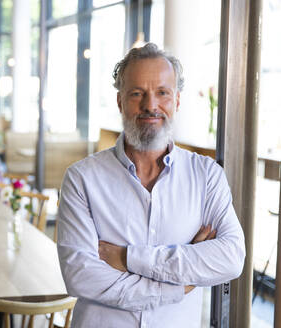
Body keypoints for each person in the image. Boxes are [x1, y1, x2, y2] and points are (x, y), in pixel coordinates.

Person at [57, 43, 245, 328]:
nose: (150, 105)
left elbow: (231, 258)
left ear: (177, 101)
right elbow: (81, 277)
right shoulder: (82, 179)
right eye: (137, 93)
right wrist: (179, 283)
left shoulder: (206, 175)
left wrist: (126, 257)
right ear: (120, 101)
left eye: (162, 93)